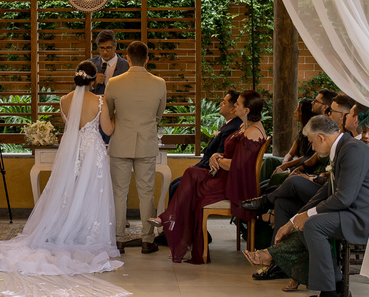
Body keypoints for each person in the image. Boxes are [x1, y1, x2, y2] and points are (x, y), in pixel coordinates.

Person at [0, 61, 129, 297]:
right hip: (92, 152)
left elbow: (71, 127)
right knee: (91, 193)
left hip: (70, 152)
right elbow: (108, 129)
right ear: (94, 79)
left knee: (67, 191)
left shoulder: (63, 101)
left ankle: (64, 229)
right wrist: (116, 117)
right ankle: (85, 233)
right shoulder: (99, 101)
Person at [284, 115, 369, 297]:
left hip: (365, 217)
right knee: (306, 224)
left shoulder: (353, 150)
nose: (312, 147)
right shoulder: (344, 148)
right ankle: (337, 288)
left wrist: (308, 215)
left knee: (313, 226)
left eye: (312, 142)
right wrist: (296, 218)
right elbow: (326, 192)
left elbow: (343, 198)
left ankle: (329, 296)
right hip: (353, 211)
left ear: (321, 137)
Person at [155, 91, 267, 263]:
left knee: (191, 184)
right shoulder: (246, 126)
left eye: (238, 104)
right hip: (227, 177)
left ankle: (171, 224)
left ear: (247, 110)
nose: (235, 106)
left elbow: (238, 166)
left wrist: (219, 160)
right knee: (191, 175)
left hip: (235, 185)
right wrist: (216, 156)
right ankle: (173, 225)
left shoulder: (252, 132)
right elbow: (233, 156)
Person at [104, 41, 167, 254]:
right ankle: (147, 240)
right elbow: (158, 115)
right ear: (147, 59)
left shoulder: (114, 82)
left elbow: (109, 112)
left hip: (121, 142)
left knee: (119, 193)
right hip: (147, 142)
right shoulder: (159, 83)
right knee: (146, 193)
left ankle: (118, 240)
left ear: (128, 58)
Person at [165, 90, 241, 206]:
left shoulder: (232, 128)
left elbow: (218, 157)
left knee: (177, 186)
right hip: (207, 168)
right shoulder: (230, 125)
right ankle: (174, 216)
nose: (220, 103)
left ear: (232, 109)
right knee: (175, 184)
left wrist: (197, 169)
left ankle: (175, 217)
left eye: (224, 102)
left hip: (215, 175)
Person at [90, 30, 128, 95]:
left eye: (108, 48)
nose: (105, 52)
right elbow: (79, 90)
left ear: (115, 46)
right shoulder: (90, 65)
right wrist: (93, 84)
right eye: (102, 48)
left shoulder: (126, 66)